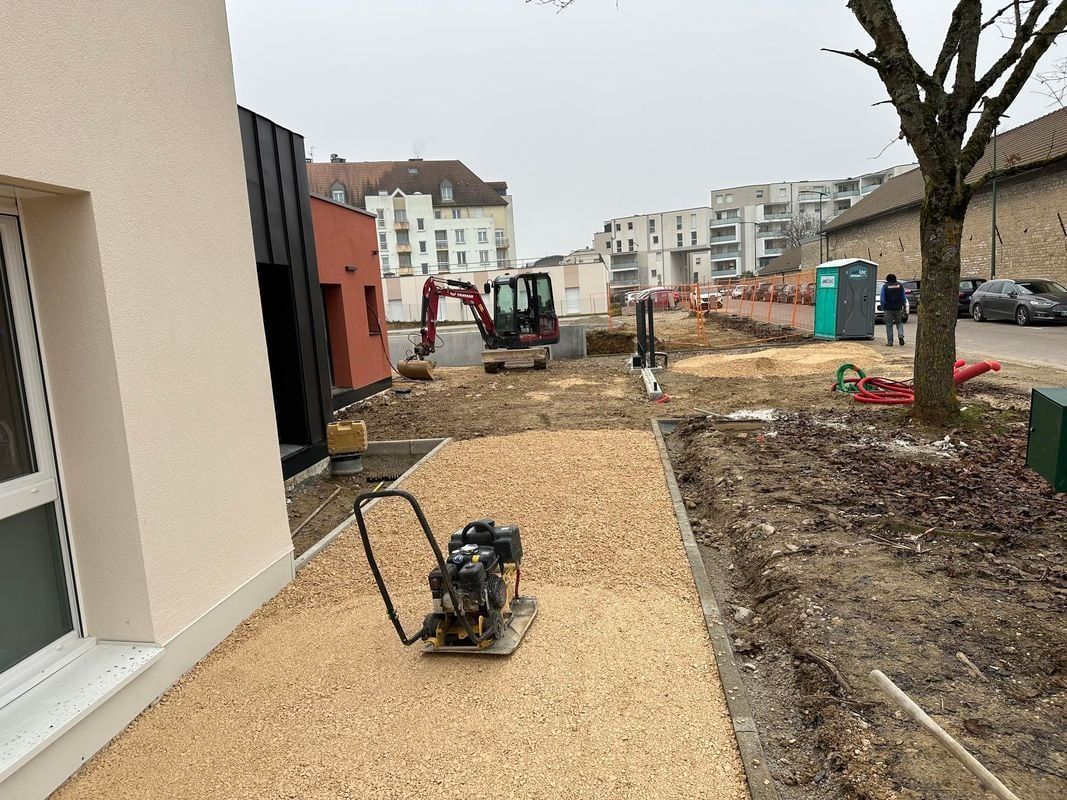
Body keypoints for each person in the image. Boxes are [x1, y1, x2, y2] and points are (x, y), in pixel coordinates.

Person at [881, 273, 906, 346]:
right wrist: (904, 306)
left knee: (889, 325)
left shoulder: (885, 286)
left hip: (888, 308)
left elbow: (882, 299)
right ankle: (900, 335)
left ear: (887, 279)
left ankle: (890, 342)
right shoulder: (900, 285)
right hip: (898, 307)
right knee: (899, 323)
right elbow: (903, 297)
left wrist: (883, 307)